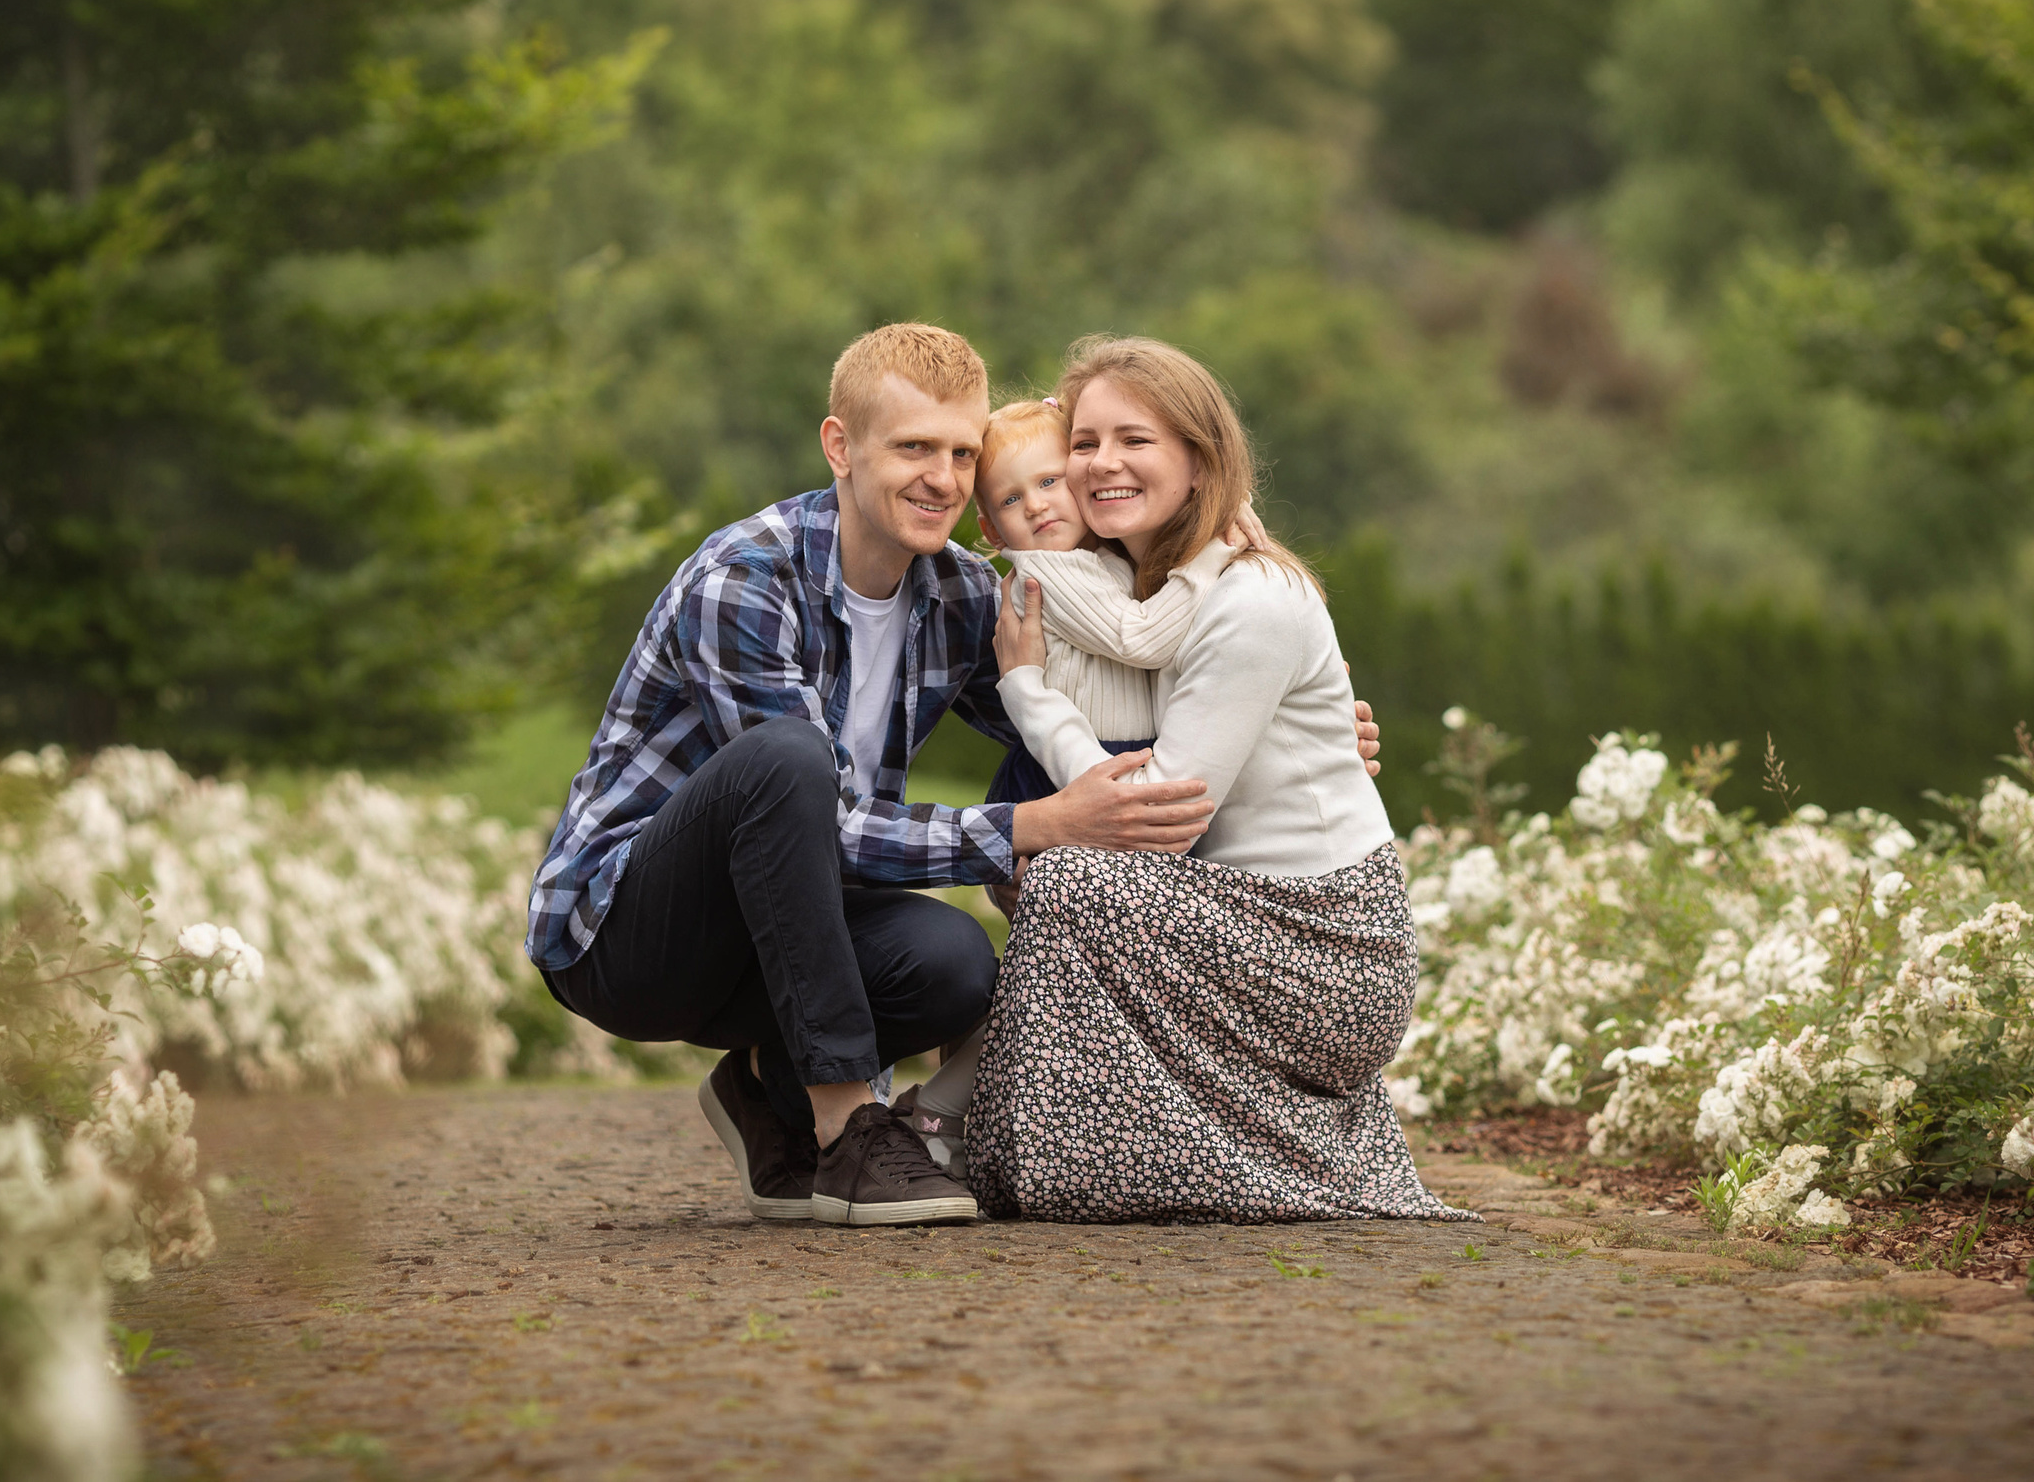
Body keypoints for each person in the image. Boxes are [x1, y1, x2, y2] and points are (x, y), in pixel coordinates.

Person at [525, 323, 1225, 1228]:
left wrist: (1274, 725)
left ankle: (770, 1091)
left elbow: (1085, 721)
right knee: (788, 759)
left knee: (954, 965)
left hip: (780, 932)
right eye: (913, 448)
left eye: (962, 453)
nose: (943, 478)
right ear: (841, 446)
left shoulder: (960, 593)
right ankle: (848, 1129)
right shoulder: (745, 577)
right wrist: (1030, 828)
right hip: (629, 936)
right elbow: (818, 820)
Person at [966, 335, 1480, 1225]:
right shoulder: (1144, 589)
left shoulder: (1250, 596)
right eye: (1084, 442)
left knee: (1069, 882)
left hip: (1329, 946)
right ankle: (1039, 1139)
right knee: (1057, 878)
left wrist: (1027, 693)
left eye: (1135, 439)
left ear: (1200, 461)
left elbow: (1156, 819)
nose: (1101, 463)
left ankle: (1010, 1139)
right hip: (1238, 910)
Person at [888, 395, 1239, 1176]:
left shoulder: (1106, 563)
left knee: (1065, 972)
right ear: (991, 530)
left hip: (1102, 763)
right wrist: (1217, 553)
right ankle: (942, 1109)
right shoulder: (1051, 571)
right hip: (1073, 780)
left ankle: (972, 1112)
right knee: (1066, 974)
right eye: (1013, 499)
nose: (1039, 506)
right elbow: (1142, 637)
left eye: (1050, 481)